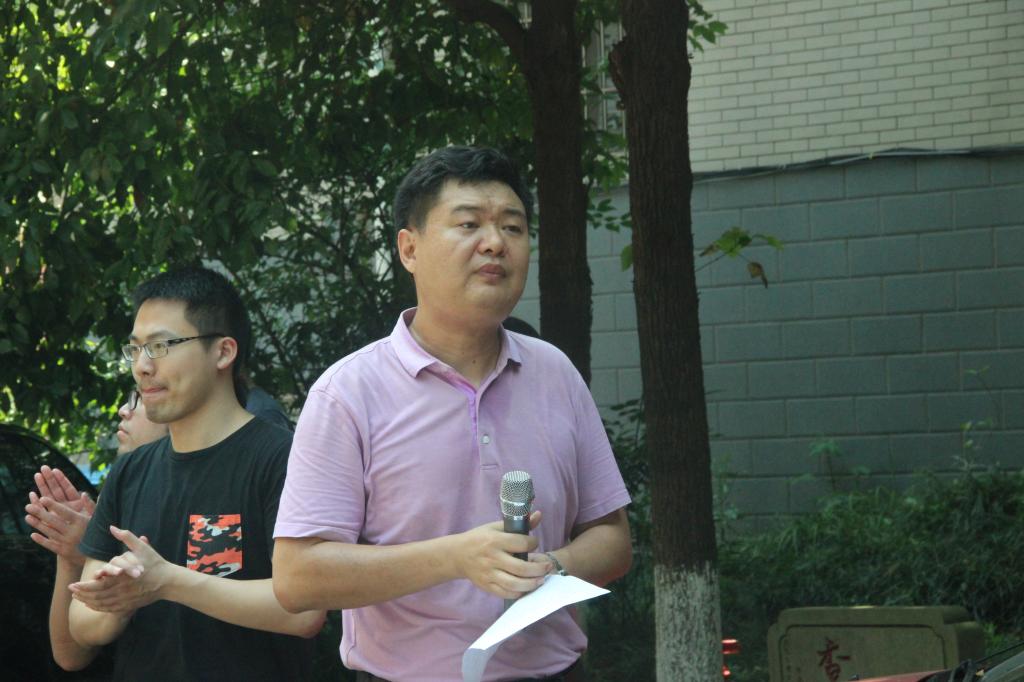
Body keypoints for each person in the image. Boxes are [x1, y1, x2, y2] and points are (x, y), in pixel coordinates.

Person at [272, 146, 633, 681]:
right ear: (409, 249)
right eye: (468, 224)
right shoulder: (348, 392)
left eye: (513, 227)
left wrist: (554, 567)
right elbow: (297, 578)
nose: (495, 243)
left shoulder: (555, 373)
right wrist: (458, 558)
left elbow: (613, 539)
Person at [65, 266, 324, 680]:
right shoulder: (130, 471)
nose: (142, 366)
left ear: (223, 352)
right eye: (135, 349)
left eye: (160, 346)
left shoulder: (281, 459)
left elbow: (304, 611)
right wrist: (123, 595)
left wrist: (168, 582)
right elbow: (82, 624)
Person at [24, 390, 168, 672]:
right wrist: (74, 555)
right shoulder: (115, 496)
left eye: (139, 398)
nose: (123, 410)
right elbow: (69, 655)